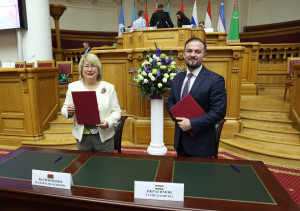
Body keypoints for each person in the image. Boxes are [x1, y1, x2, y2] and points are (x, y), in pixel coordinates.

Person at [166, 38, 227, 158]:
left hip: (201, 146)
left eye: (197, 52)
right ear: (183, 54)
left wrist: (192, 124)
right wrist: (177, 117)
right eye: (189, 51)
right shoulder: (177, 78)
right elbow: (170, 102)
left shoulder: (215, 80)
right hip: (180, 142)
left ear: (204, 56)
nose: (192, 55)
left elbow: (219, 111)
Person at [61, 54, 122, 152]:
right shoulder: (73, 87)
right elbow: (64, 110)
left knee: (106, 165)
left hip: (104, 138)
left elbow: (117, 111)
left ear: (98, 69)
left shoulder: (109, 88)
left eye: (93, 66)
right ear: (81, 69)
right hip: (82, 138)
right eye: (86, 66)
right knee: (85, 165)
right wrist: (69, 111)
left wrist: (108, 122)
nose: (90, 69)